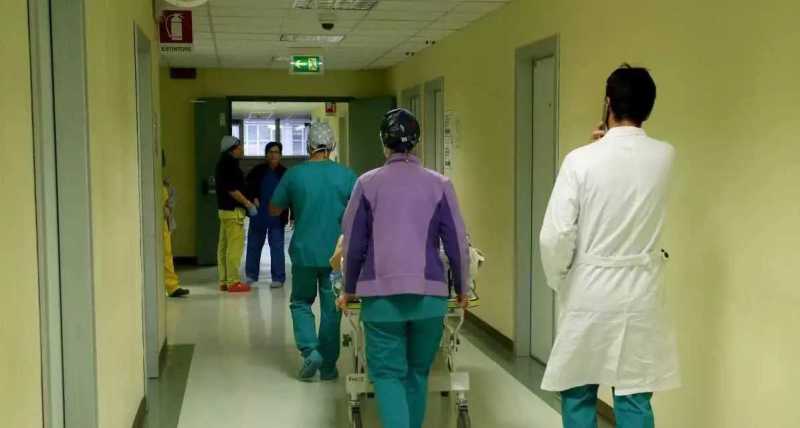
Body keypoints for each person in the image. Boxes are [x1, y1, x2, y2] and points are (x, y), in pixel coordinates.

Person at [539, 64, 681, 428]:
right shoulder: (665, 155)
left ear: (607, 104)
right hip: (641, 293)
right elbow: (628, 167)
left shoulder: (579, 160)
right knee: (634, 393)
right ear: (649, 107)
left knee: (578, 389)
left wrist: (558, 279)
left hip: (590, 290)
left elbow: (555, 235)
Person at [336, 109, 470, 428]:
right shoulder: (440, 184)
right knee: (417, 372)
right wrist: (462, 288)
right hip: (430, 299)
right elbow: (457, 243)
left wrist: (348, 289)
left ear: (384, 142)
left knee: (387, 375)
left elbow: (353, 245)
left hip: (382, 302)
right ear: (417, 142)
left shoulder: (366, 184)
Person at [269, 122, 357, 381]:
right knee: (332, 309)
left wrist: (296, 203)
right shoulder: (347, 175)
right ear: (332, 146)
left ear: (308, 146)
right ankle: (328, 366)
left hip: (304, 252)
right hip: (335, 256)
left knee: (300, 302)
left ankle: (310, 351)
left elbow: (274, 208)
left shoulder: (294, 175)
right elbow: (360, 212)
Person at [215, 136, 258, 293]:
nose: (242, 149)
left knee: (224, 246)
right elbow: (232, 190)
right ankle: (233, 282)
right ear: (232, 149)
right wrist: (248, 204)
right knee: (234, 247)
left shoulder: (222, 163)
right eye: (240, 147)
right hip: (233, 212)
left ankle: (224, 280)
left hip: (224, 211)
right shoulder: (230, 164)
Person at [244, 141, 289, 289]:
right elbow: (247, 187)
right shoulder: (258, 171)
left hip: (277, 214)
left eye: (276, 152)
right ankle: (251, 275)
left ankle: (278, 277)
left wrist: (292, 214)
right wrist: (253, 198)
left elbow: (292, 193)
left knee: (277, 246)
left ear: (280, 155)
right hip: (259, 213)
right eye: (270, 152)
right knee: (254, 245)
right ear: (266, 155)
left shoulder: (285, 173)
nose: (273, 155)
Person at [163, 178, 189, 298]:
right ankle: (170, 286)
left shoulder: (165, 185)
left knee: (167, 254)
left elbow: (169, 205)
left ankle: (172, 286)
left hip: (164, 223)